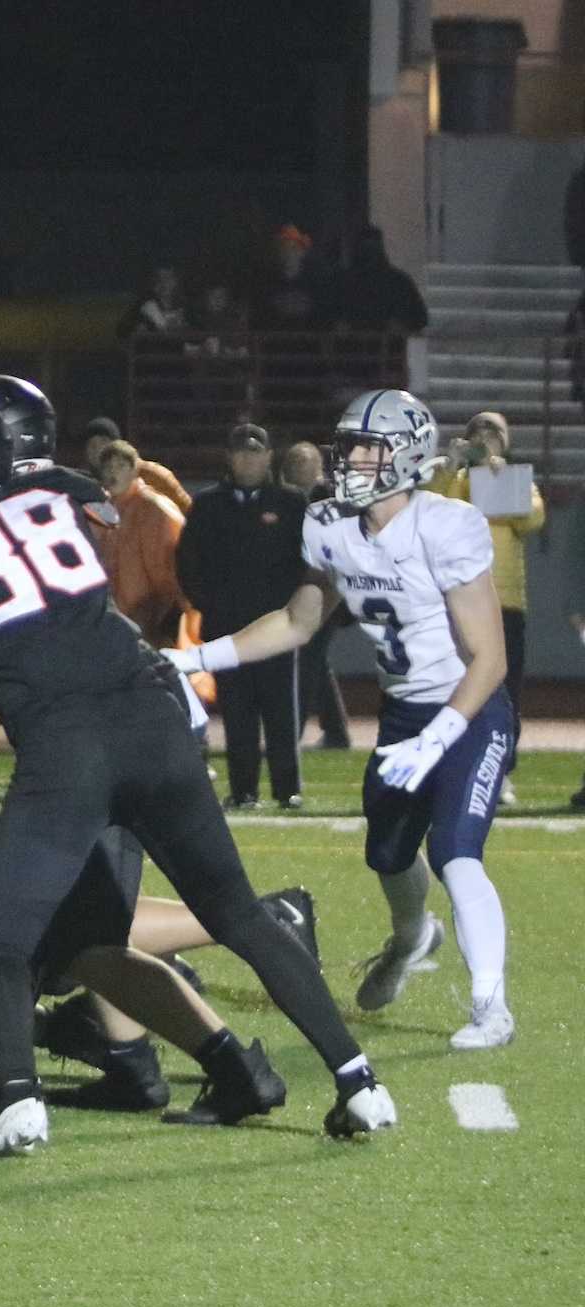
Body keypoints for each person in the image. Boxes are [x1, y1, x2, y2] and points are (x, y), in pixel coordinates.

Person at [0, 382, 393, 1156]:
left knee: (1, 939)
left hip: (68, 745)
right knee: (234, 916)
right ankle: (359, 1082)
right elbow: (64, 516)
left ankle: (19, 1101)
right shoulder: (57, 494)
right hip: (154, 719)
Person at [171, 390, 517, 1050]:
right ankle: (412, 938)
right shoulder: (330, 524)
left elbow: (491, 659)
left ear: (406, 455)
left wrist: (440, 736)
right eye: (349, 446)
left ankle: (490, 1006)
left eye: (367, 448)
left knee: (455, 854)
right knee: (386, 854)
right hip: (403, 714)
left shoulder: (447, 525)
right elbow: (296, 622)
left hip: (470, 710)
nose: (351, 459)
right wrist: (194, 658)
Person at [177, 423, 305, 808]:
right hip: (227, 628)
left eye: (255, 452)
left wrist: (293, 611)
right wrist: (210, 605)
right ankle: (244, 789)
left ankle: (288, 789)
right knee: (237, 712)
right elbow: (188, 563)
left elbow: (306, 562)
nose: (248, 460)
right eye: (241, 452)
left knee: (281, 710)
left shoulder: (291, 504)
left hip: (277, 627)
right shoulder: (208, 505)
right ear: (229, 458)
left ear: (269, 457)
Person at [434, 411, 539, 806]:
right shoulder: (455, 479)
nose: (484, 440)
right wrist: (450, 466)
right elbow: (431, 510)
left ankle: (501, 771)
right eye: (477, 433)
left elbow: (532, 518)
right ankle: (454, 766)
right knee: (456, 687)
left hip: (506, 601)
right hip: (460, 600)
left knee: (505, 691)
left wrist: (499, 477)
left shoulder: (514, 478)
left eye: (492, 434)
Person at [281, 439, 352, 749]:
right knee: (315, 661)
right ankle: (336, 732)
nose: (299, 471)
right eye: (295, 465)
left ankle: (292, 733)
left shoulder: (329, 502)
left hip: (327, 592)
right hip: (307, 590)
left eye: (304, 465)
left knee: (307, 660)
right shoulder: (290, 500)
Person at [91, 439, 187, 649]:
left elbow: (174, 569)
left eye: (120, 466)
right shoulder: (101, 512)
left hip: (154, 624)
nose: (113, 472)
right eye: (108, 467)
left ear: (134, 470)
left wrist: (166, 618)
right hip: (119, 625)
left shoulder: (154, 508)